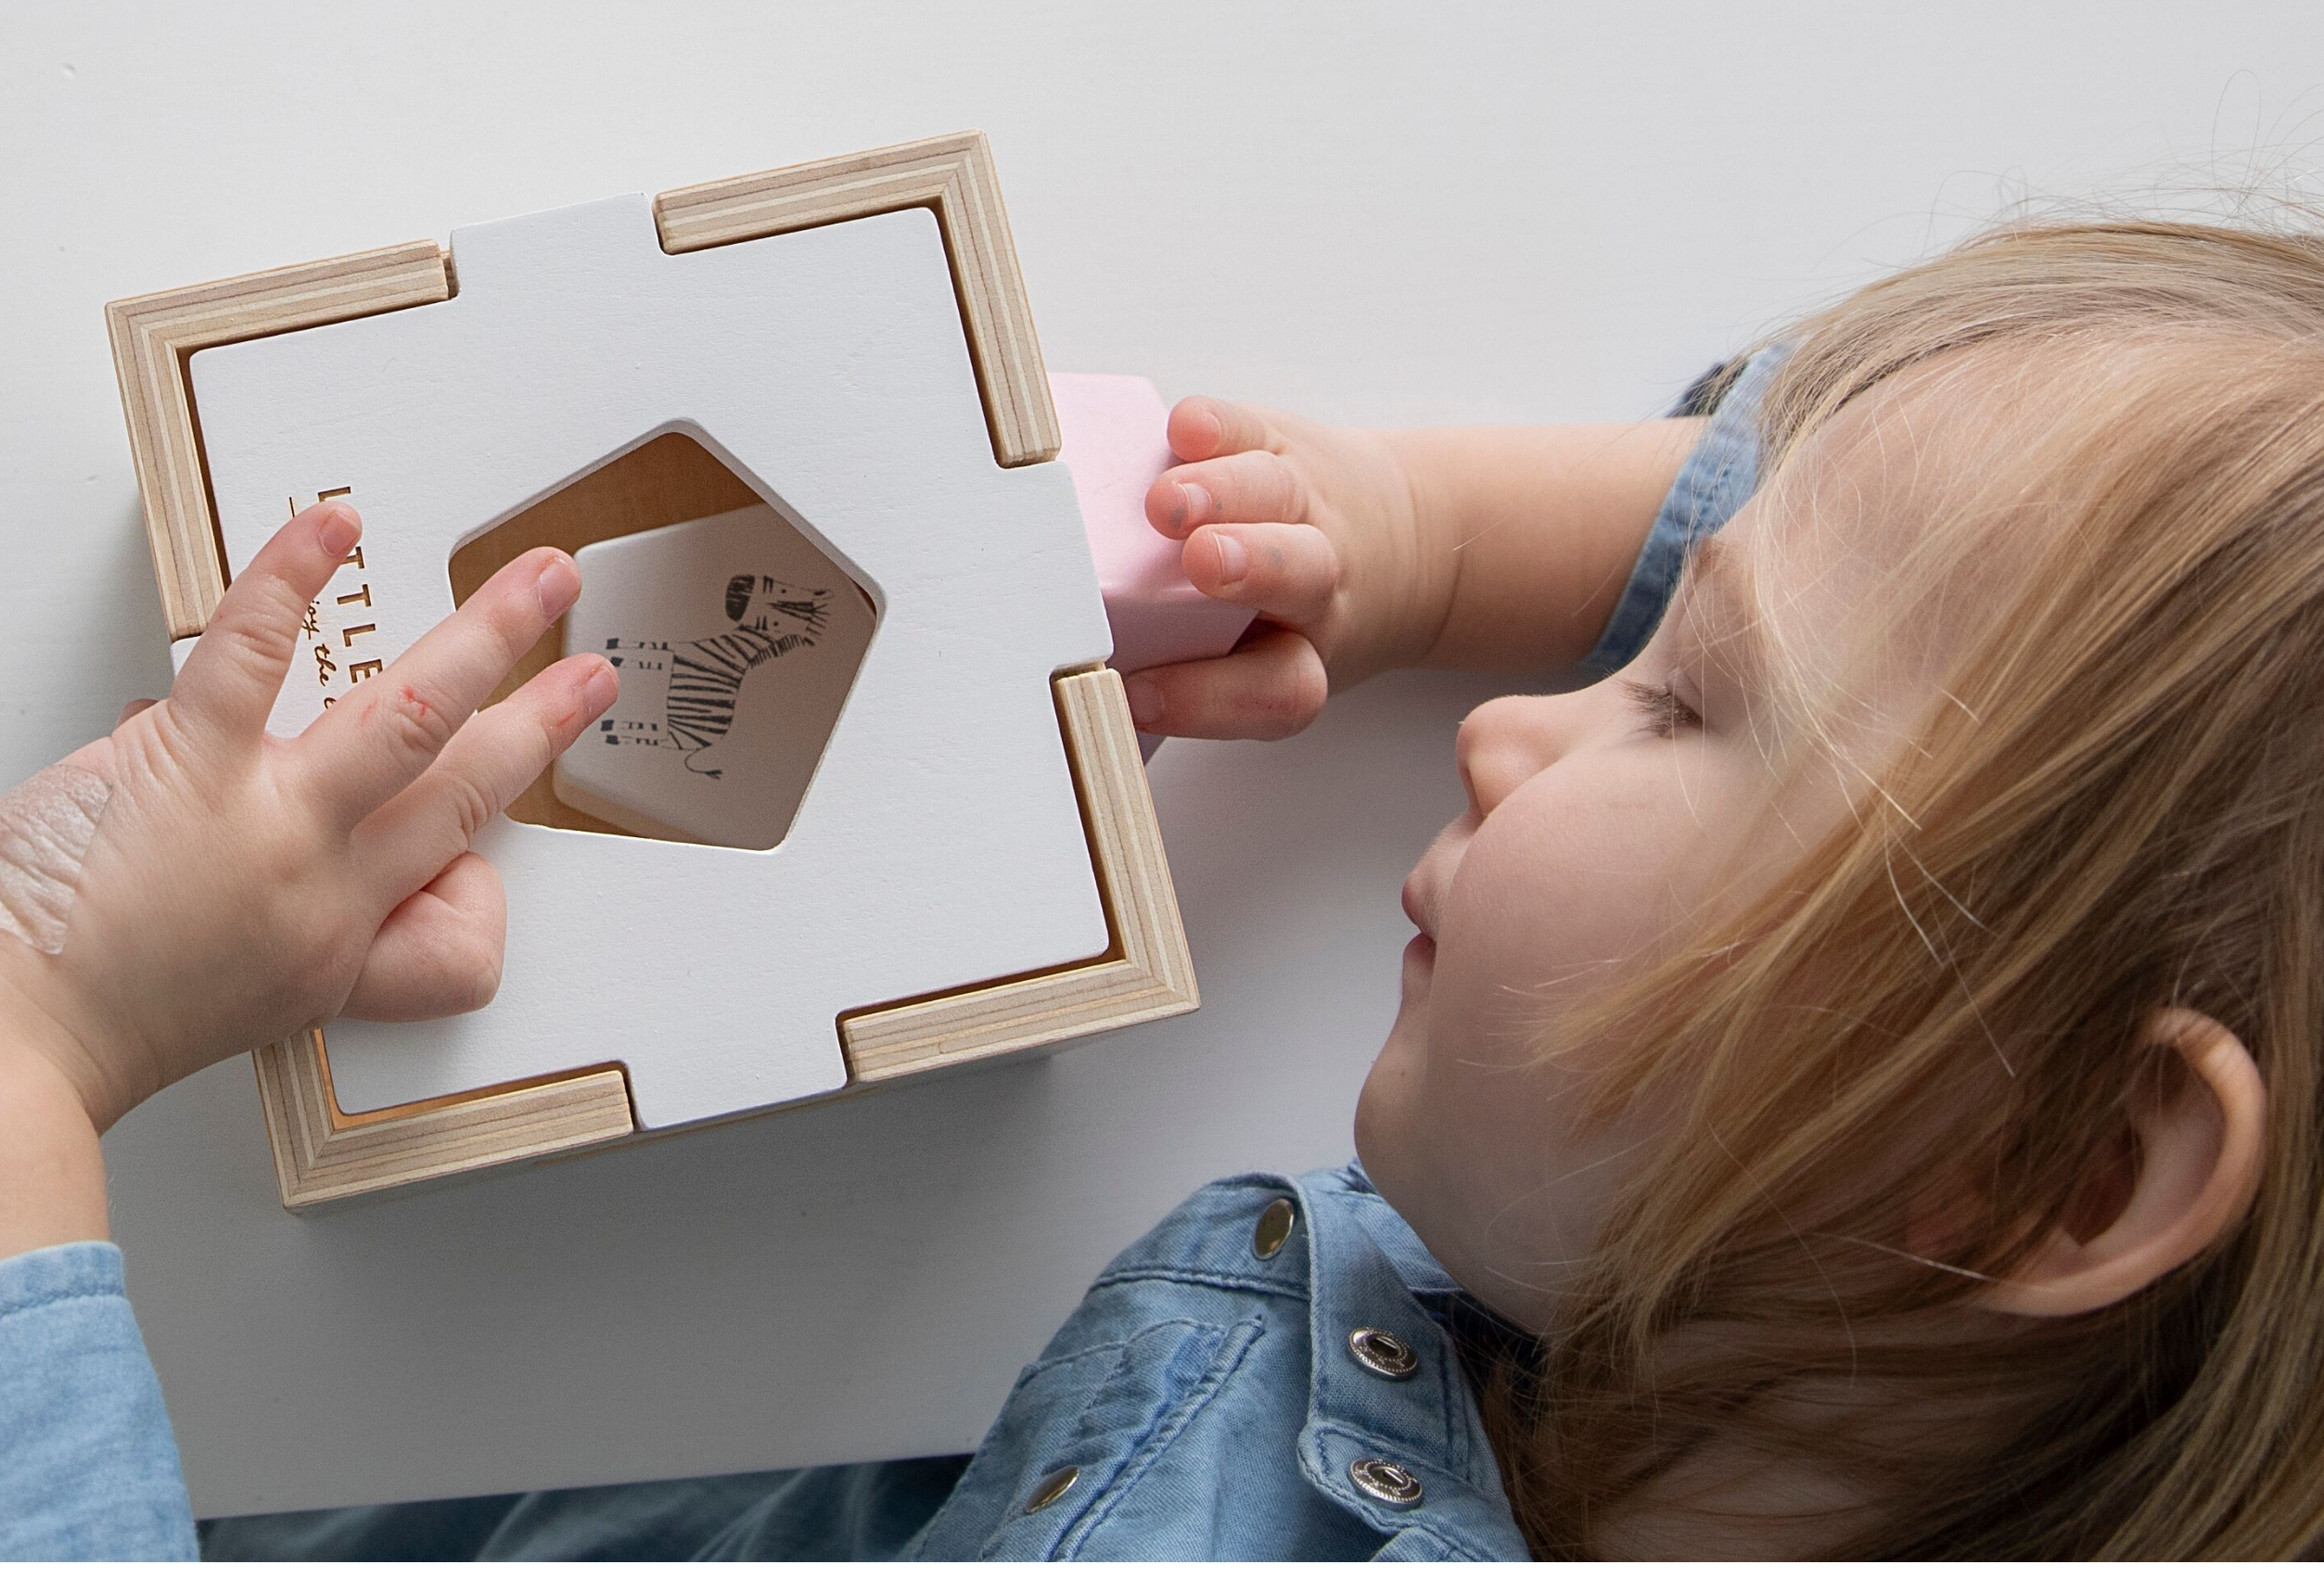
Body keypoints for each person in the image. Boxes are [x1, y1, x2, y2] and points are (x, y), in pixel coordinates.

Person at [9, 214, 2319, 1558]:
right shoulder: (1828, 1281)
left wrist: (39, 1042)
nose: (1532, 719)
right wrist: (1419, 537)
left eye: (1686, 696)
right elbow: (1944, 532)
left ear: (2047, 1163)